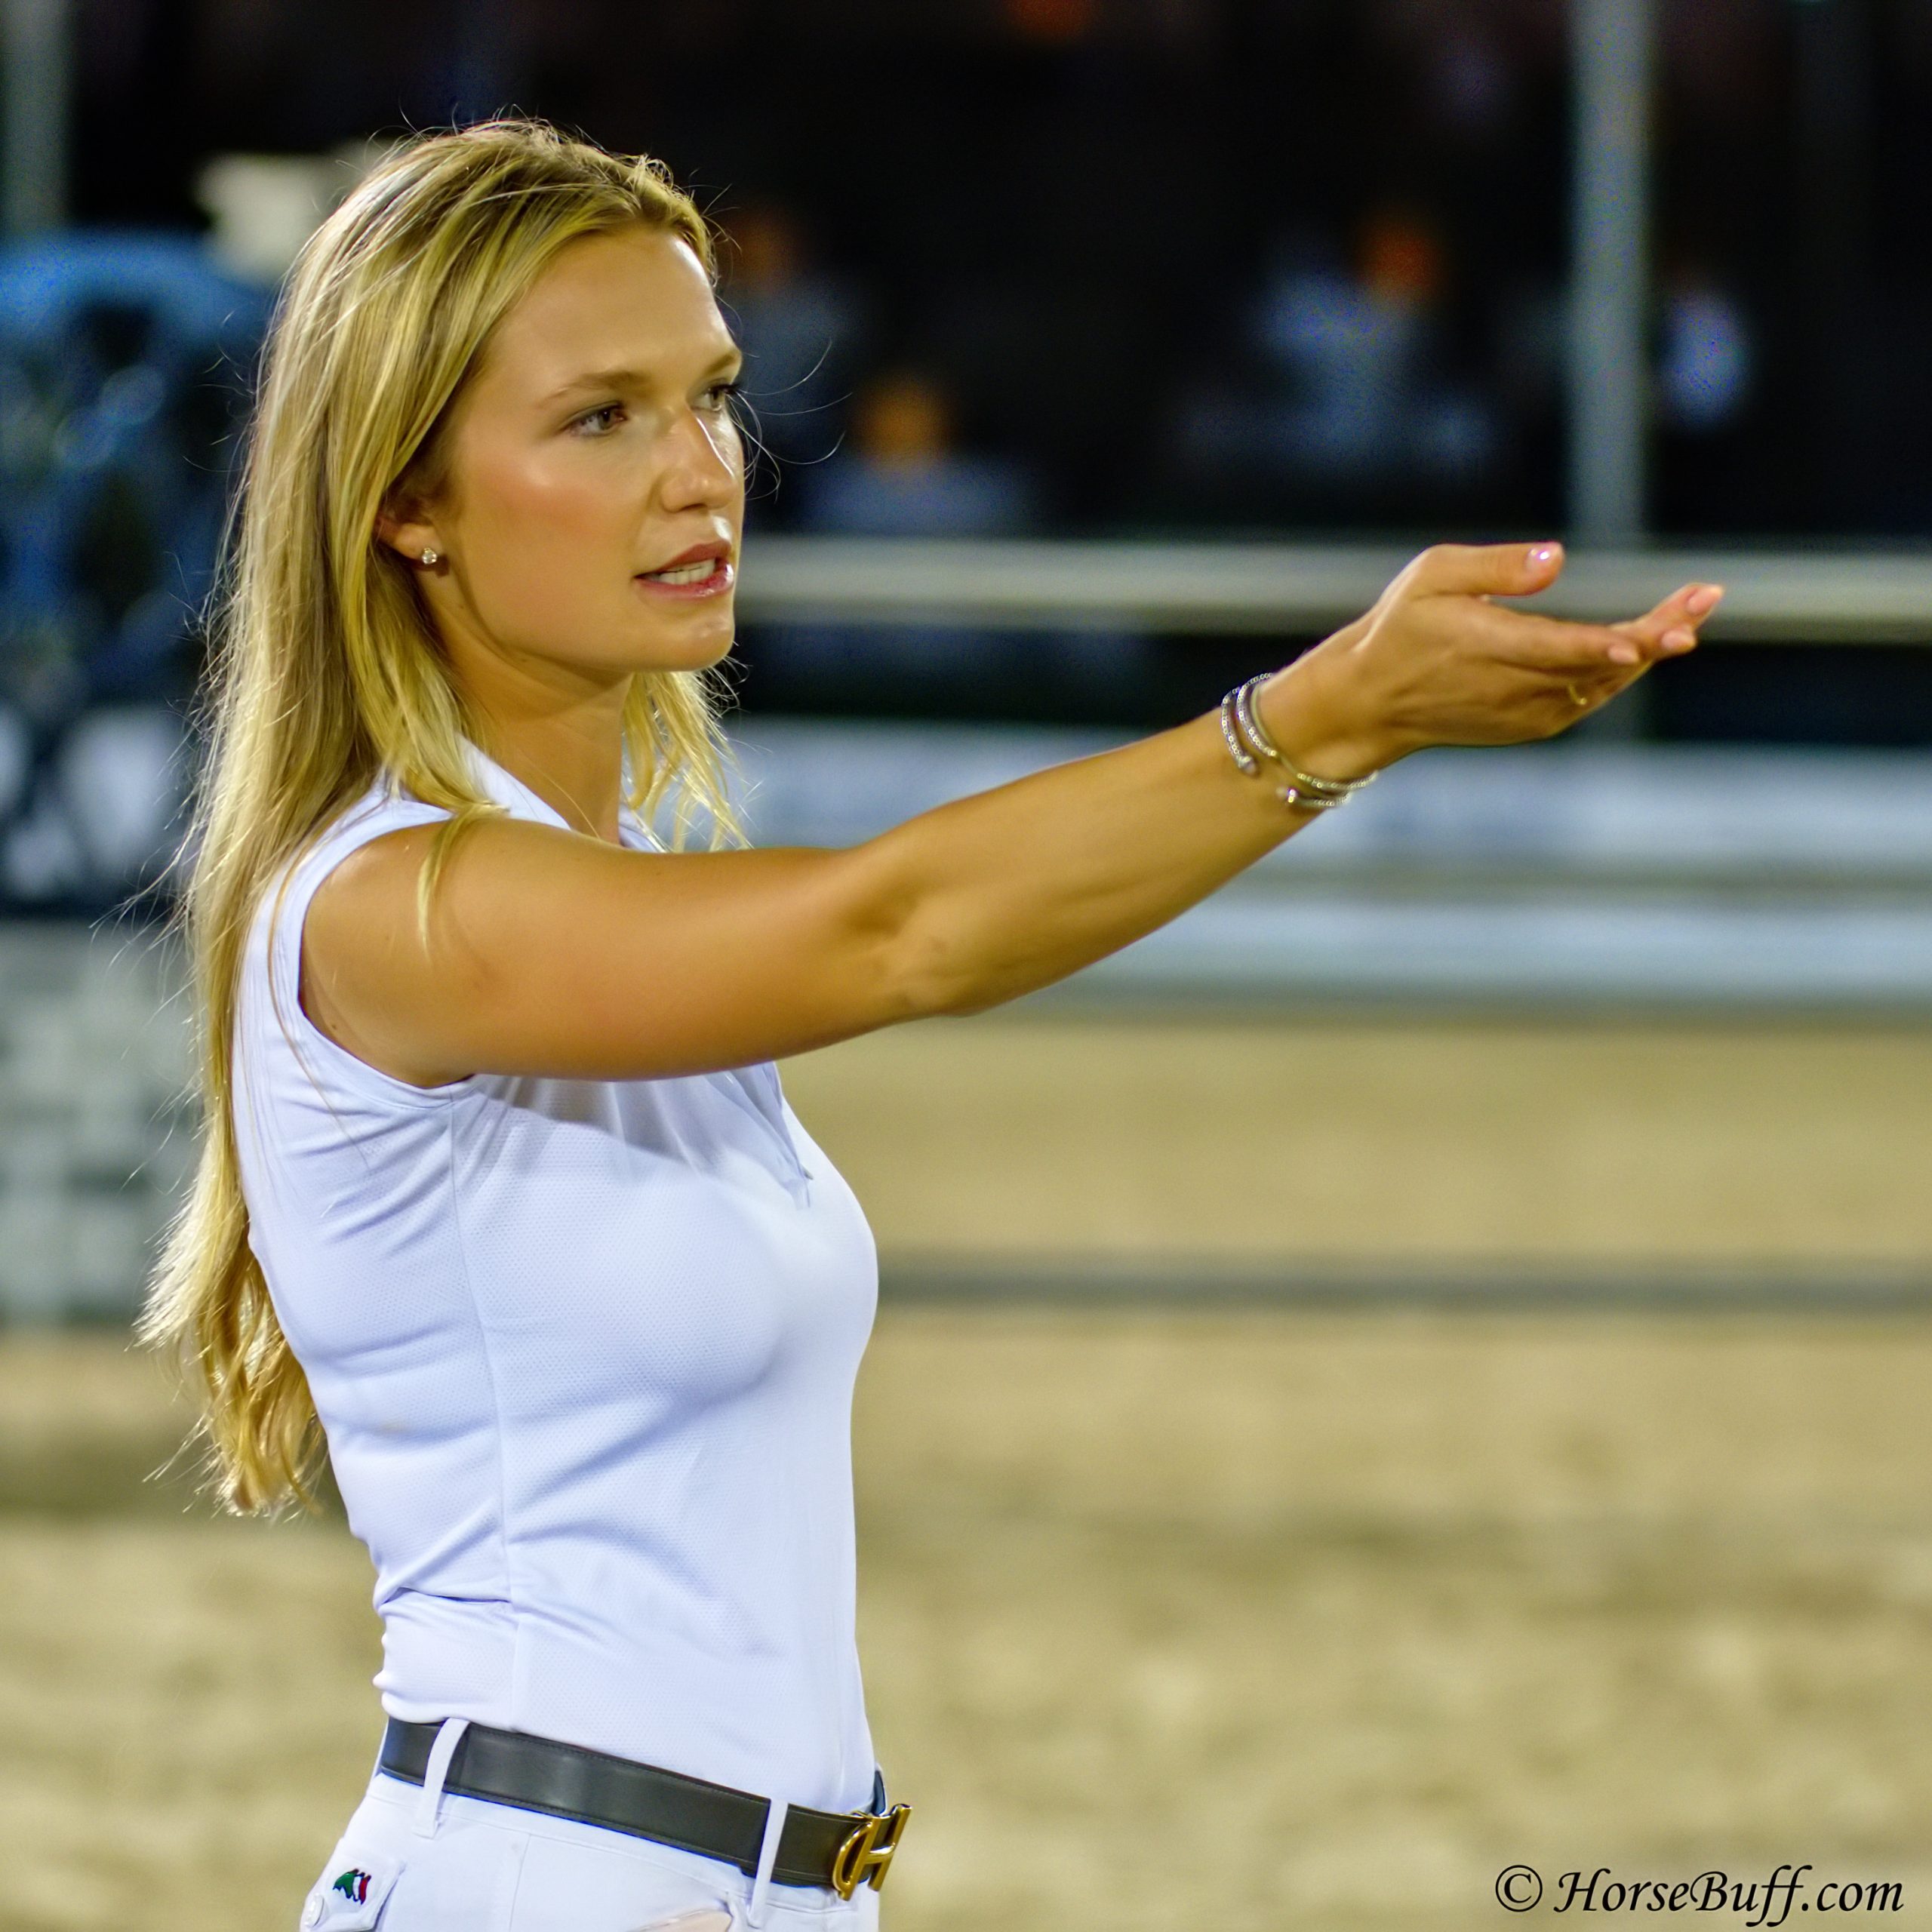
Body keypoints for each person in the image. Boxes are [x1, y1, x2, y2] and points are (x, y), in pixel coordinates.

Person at [137, 118, 1723, 1932]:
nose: (698, 472)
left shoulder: (623, 866)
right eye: (602, 418)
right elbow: (904, 927)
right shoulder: (392, 906)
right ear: (403, 504)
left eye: (709, 395)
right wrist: (1325, 717)